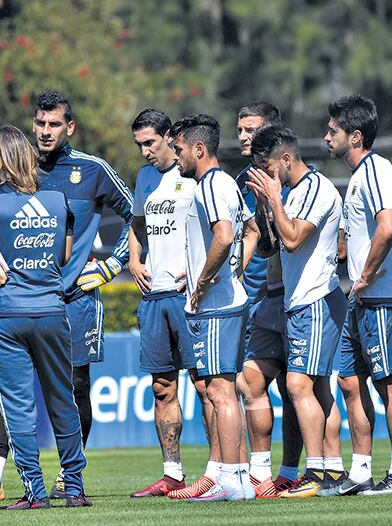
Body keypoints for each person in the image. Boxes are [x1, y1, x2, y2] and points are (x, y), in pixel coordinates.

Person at [0, 90, 133, 503]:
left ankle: (64, 480)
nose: (46, 131)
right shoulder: (15, 168)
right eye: (40, 123)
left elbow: (136, 213)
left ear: (70, 127)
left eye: (55, 124)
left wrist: (113, 265)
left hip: (75, 297)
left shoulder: (92, 170)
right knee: (10, 391)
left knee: (75, 387)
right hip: (27, 296)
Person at [0, 124, 88, 509]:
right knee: (63, 401)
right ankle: (74, 489)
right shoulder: (58, 198)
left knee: (18, 407)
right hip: (52, 310)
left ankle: (36, 493)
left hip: (7, 315)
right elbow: (64, 256)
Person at [246, 124, 347, 498]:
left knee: (297, 384)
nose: (267, 175)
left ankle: (316, 472)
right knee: (317, 388)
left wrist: (274, 199)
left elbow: (292, 239)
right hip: (297, 303)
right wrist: (264, 204)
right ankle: (332, 470)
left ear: (286, 159)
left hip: (316, 300)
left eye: (268, 168)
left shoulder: (316, 188)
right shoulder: (291, 192)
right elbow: (271, 247)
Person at [327, 95, 392, 496]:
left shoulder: (377, 171)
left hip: (384, 297)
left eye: (333, 131)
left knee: (389, 384)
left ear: (355, 136)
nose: (327, 137)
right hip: (362, 299)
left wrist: (364, 276)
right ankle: (361, 471)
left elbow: (388, 226)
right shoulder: (359, 176)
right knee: (349, 380)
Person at [169, 114, 260, 502]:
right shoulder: (227, 183)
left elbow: (223, 237)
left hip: (216, 308)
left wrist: (204, 283)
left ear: (198, 148)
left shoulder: (209, 185)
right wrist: (233, 270)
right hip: (228, 302)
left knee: (220, 392)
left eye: (179, 149)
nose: (176, 157)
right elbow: (252, 230)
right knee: (223, 390)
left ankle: (233, 479)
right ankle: (234, 477)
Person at [126, 109, 212, 498]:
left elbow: (227, 230)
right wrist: (134, 260)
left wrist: (201, 274)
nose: (145, 151)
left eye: (150, 142)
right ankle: (172, 474)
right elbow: (137, 223)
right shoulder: (144, 178)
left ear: (168, 137)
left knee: (206, 386)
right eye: (139, 145)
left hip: (187, 298)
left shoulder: (193, 174)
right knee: (162, 388)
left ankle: (219, 471)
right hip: (154, 297)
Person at [233, 102, 304, 496]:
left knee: (296, 388)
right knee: (250, 383)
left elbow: (283, 240)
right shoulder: (241, 179)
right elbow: (255, 239)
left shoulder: (296, 180)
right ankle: (257, 474)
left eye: (252, 130)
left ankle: (292, 471)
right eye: (240, 129)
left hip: (291, 297)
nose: (244, 137)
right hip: (252, 300)